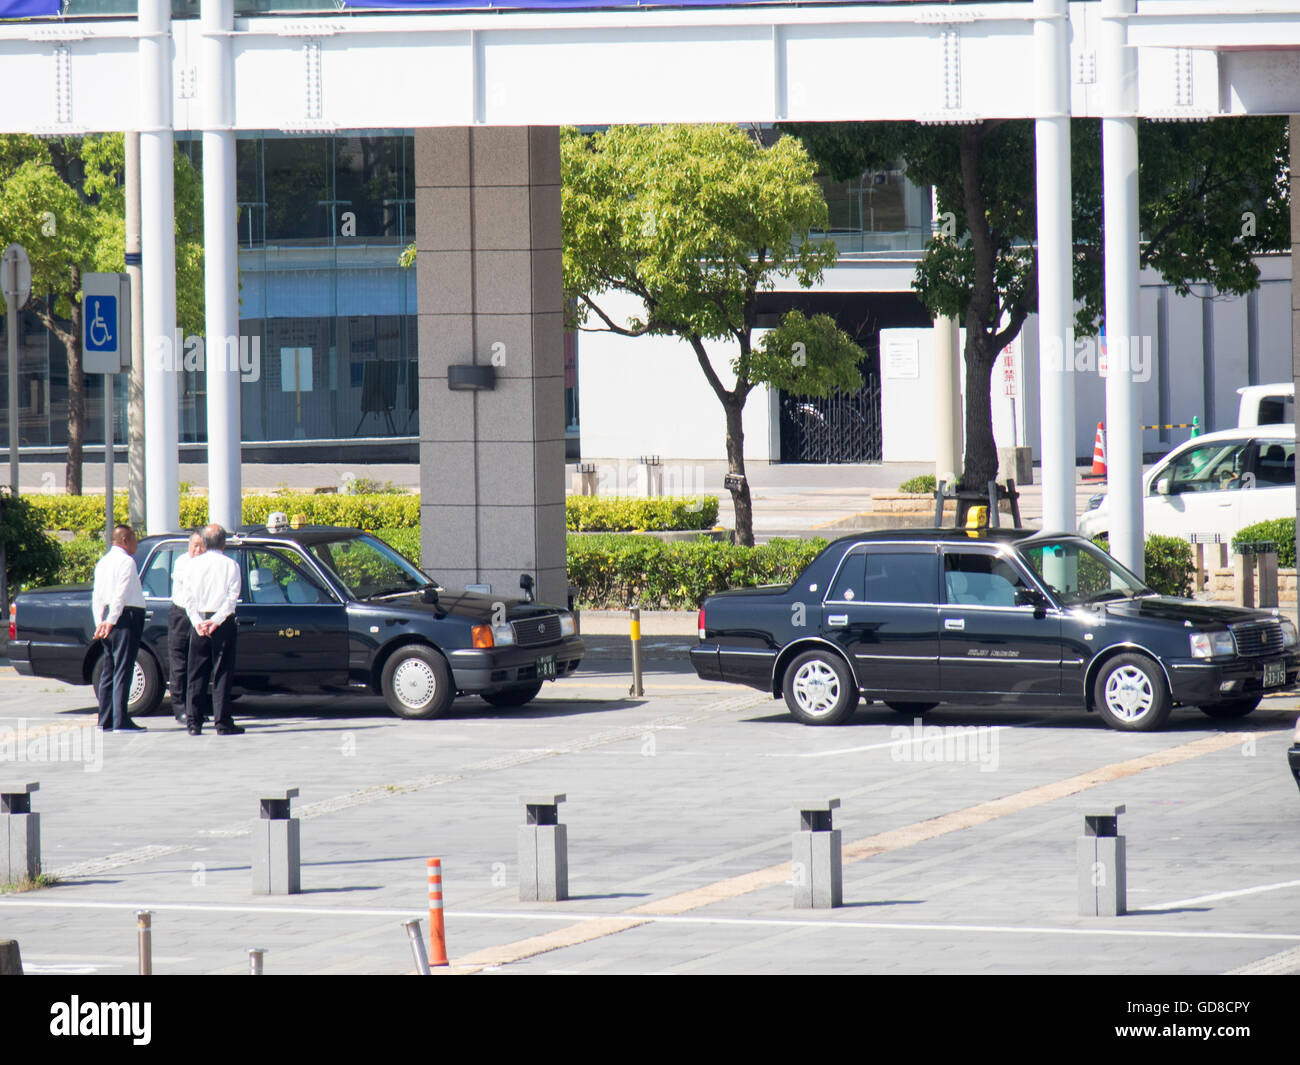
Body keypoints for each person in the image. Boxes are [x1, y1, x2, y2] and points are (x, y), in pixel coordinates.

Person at [183, 524, 243, 736]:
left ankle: (194, 722)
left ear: (205, 543)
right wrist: (216, 621)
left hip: (199, 620)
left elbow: (187, 598)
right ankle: (222, 722)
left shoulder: (191, 565)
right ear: (224, 543)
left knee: (196, 673)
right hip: (222, 622)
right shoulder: (231, 565)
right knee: (222, 673)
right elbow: (231, 598)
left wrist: (198, 621)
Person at [91, 525, 148, 732]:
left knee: (109, 668)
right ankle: (120, 720)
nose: (136, 543)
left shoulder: (103, 562)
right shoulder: (126, 561)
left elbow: (97, 595)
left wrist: (101, 622)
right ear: (124, 539)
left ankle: (105, 719)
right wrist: (113, 619)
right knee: (123, 667)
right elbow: (121, 594)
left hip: (107, 617)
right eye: (134, 538)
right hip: (124, 617)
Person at [167, 531, 205, 723]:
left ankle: (194, 708)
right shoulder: (183, 562)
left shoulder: (207, 563)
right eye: (194, 545)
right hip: (182, 614)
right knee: (179, 663)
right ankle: (179, 708)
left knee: (196, 663)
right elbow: (188, 585)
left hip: (200, 614)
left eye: (201, 545)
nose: (197, 550)